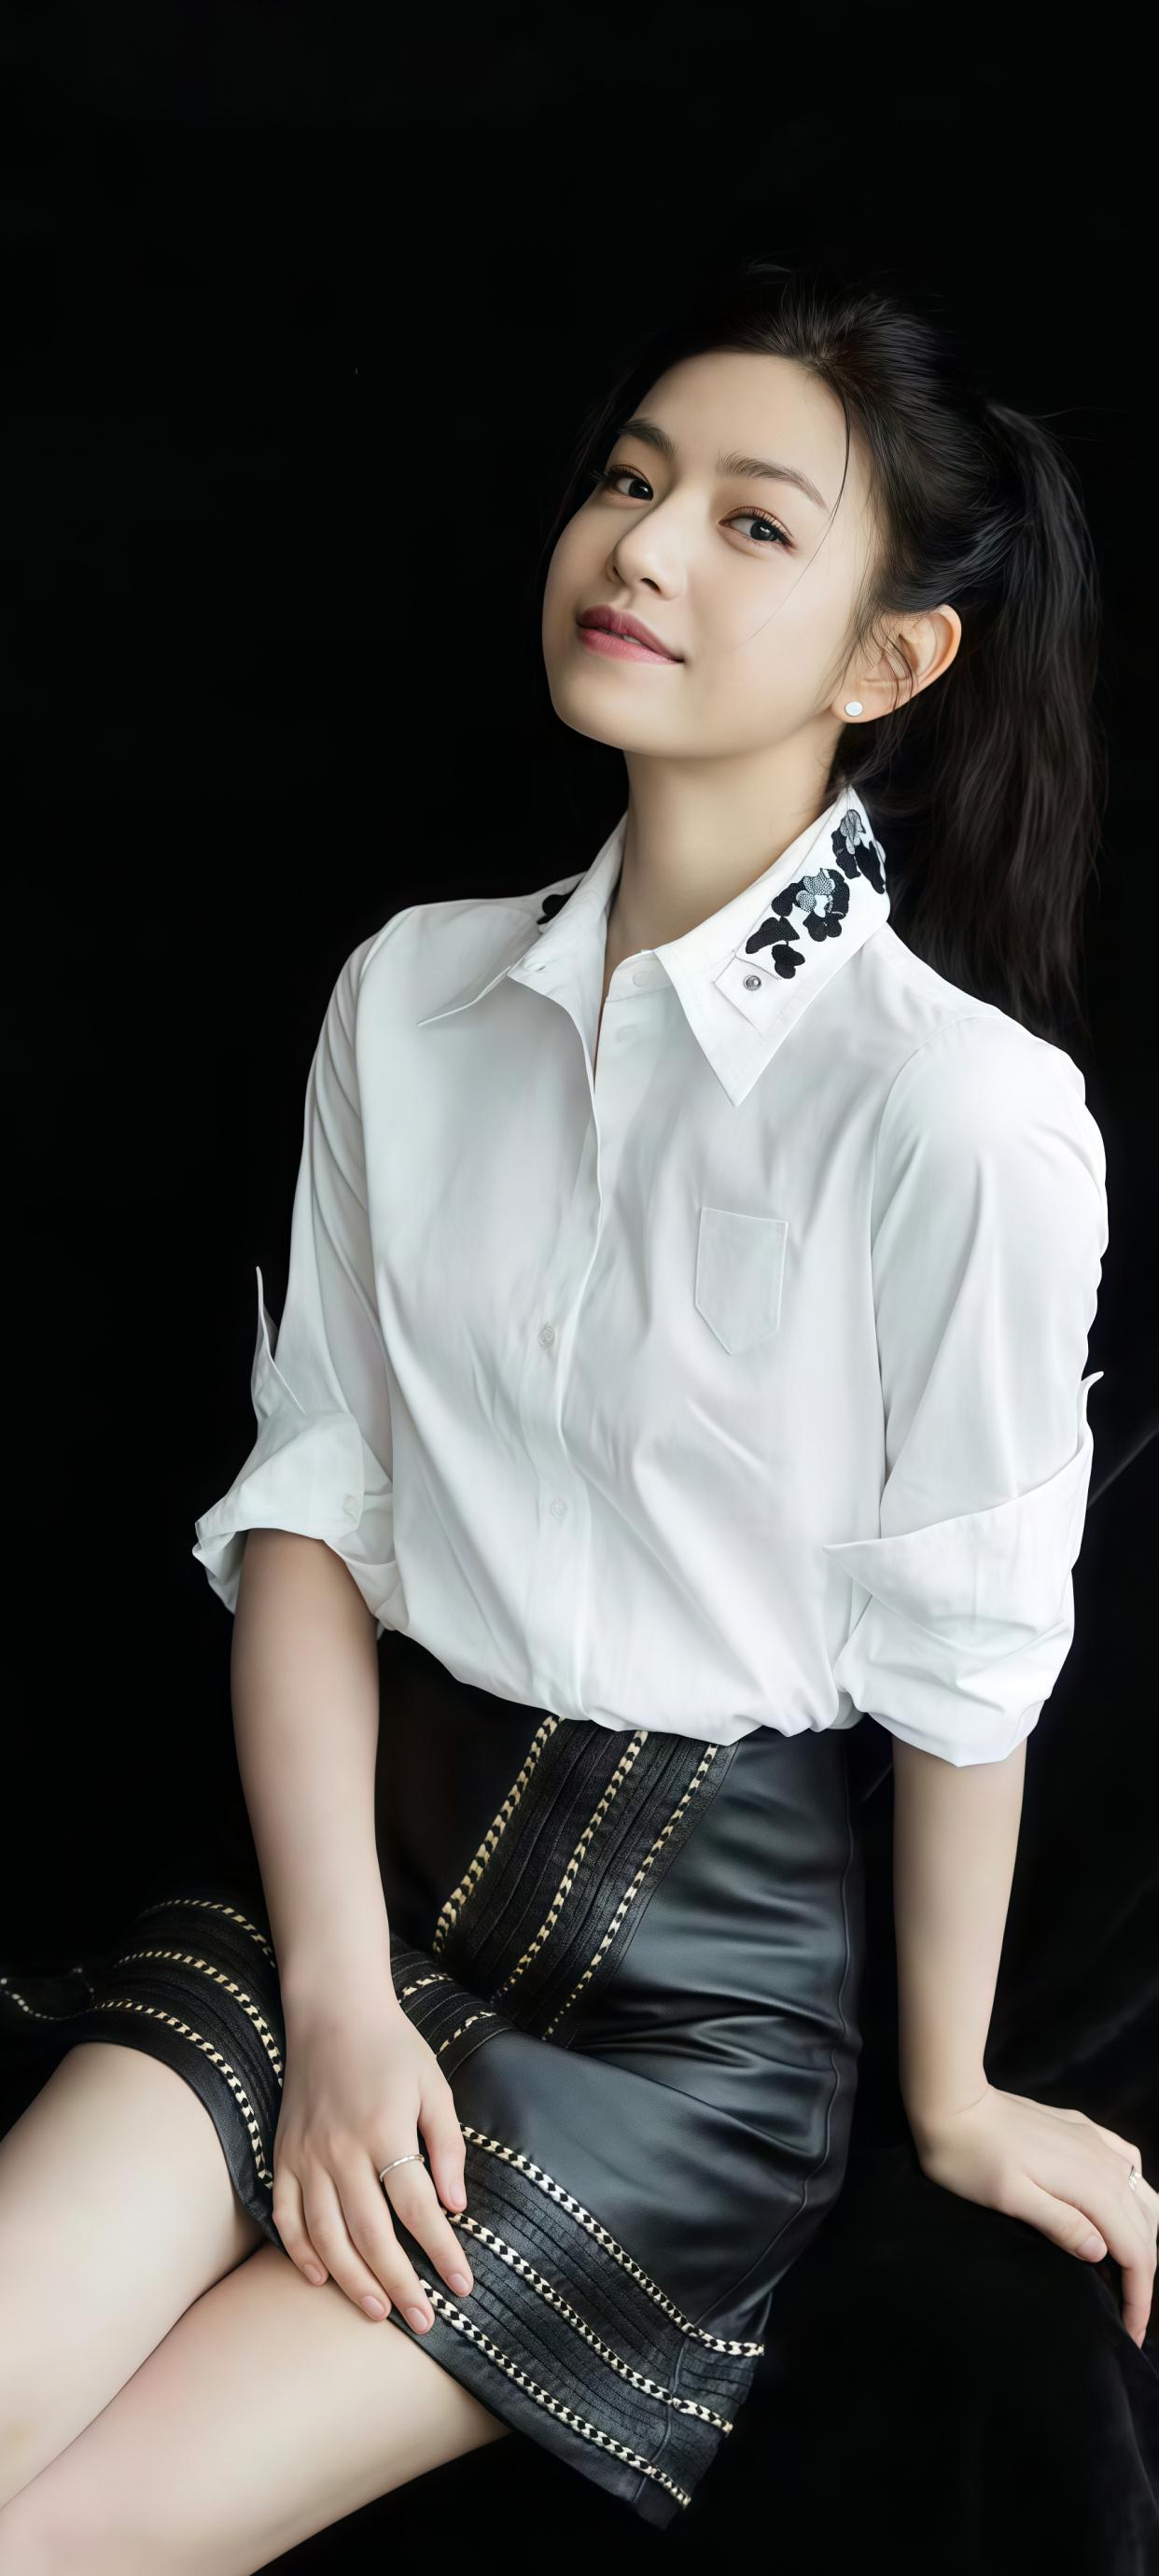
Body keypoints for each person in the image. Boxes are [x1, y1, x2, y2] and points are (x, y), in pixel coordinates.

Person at [1, 254, 1153, 2571]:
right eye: (632, 481)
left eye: (752, 521)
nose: (642, 546)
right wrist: (338, 1991)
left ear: (889, 662)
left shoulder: (960, 1116)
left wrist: (950, 2094)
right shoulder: (409, 998)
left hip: (681, 2036)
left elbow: (967, 1667)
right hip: (354, 1891)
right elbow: (313, 1509)